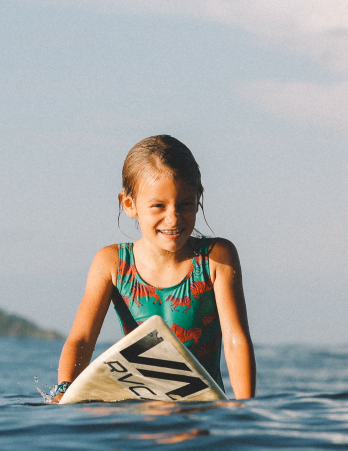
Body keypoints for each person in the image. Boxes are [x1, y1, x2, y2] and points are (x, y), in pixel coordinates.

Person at [50, 135, 255, 402]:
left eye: (185, 204)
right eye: (158, 206)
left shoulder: (216, 258)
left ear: (198, 198)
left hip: (203, 416)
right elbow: (81, 340)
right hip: (139, 416)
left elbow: (235, 340)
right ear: (129, 204)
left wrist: (245, 410)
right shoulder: (112, 263)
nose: (173, 218)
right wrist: (64, 391)